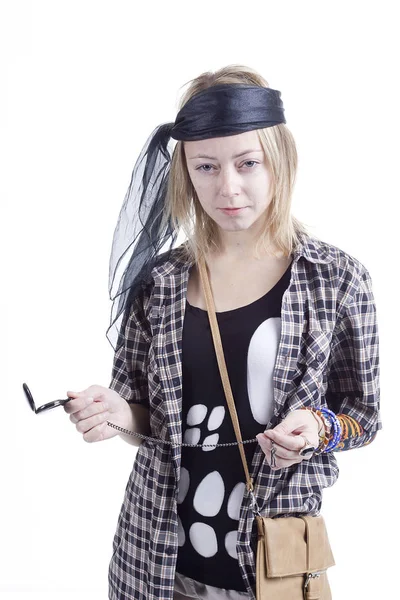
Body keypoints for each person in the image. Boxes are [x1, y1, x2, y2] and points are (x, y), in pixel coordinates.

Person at [63, 65, 382, 600]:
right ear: (185, 172)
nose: (227, 187)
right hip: (153, 563)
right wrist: (117, 414)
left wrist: (316, 426)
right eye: (205, 166)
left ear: (279, 160)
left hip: (273, 568)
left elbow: (363, 417)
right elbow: (143, 416)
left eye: (247, 163)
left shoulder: (335, 279)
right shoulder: (159, 283)